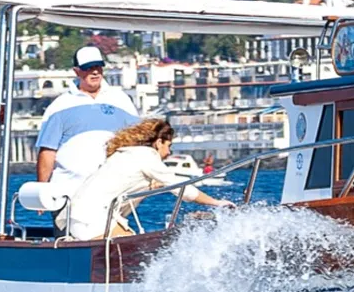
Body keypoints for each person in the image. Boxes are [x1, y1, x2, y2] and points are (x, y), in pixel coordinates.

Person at [62, 118, 233, 240]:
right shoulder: (147, 156)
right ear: (159, 142)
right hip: (92, 220)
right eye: (169, 146)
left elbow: (125, 188)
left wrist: (150, 188)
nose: (169, 153)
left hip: (78, 217)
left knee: (133, 244)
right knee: (137, 250)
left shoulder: (127, 154)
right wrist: (216, 203)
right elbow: (182, 189)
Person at [35, 45, 140, 204]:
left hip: (112, 193)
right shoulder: (59, 106)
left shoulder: (122, 100)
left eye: (98, 67)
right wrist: (41, 191)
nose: (95, 72)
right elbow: (47, 151)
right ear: (77, 71)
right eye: (89, 68)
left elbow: (139, 141)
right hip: (69, 193)